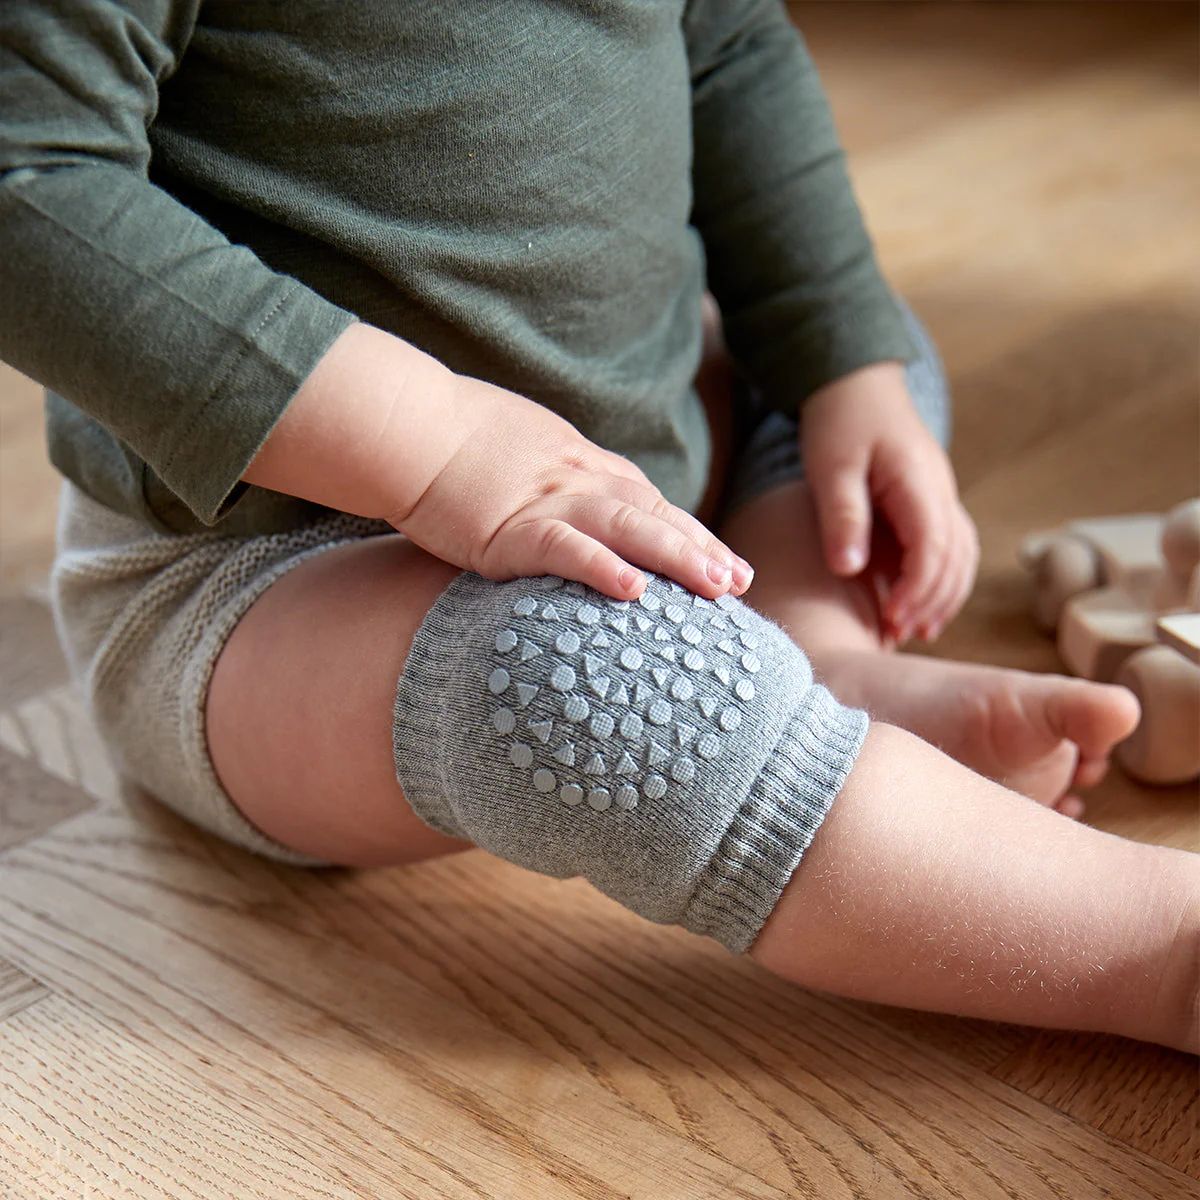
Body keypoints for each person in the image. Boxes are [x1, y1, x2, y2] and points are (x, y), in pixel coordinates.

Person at [1, 1, 1194, 1050]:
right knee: (570, 680)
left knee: (853, 353)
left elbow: (725, 48)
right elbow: (29, 185)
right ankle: (1155, 951)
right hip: (261, 575)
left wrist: (843, 361)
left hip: (635, 460)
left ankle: (816, 658)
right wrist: (444, 451)